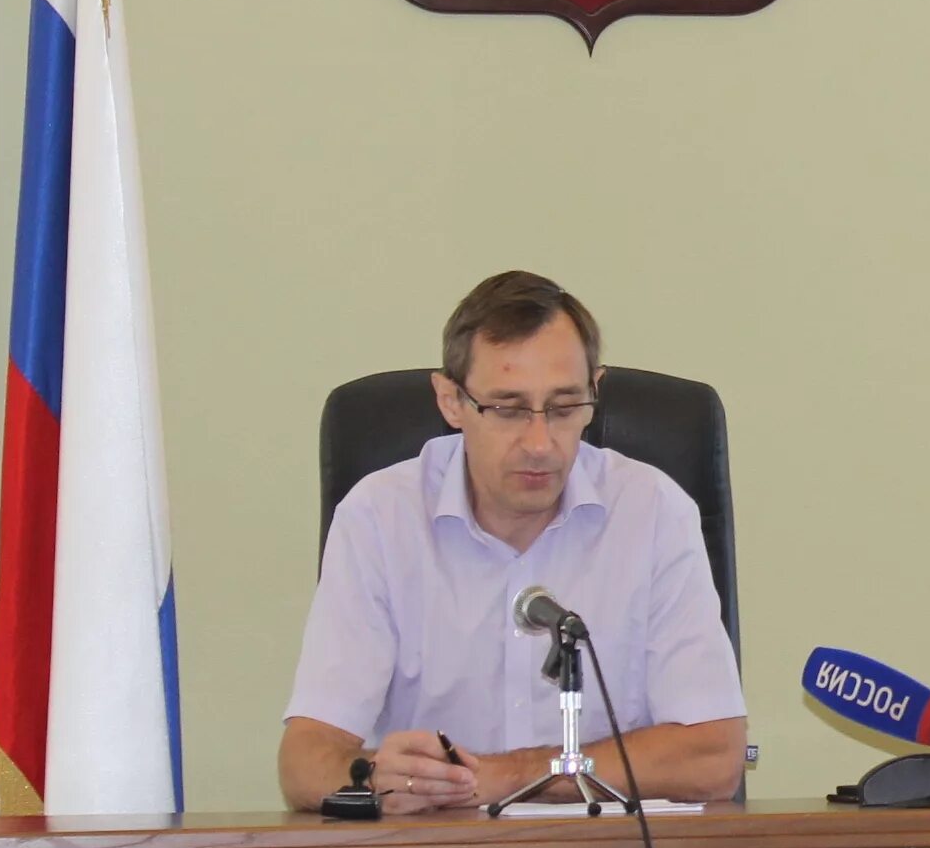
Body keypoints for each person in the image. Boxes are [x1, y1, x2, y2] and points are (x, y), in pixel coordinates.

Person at [279, 270, 747, 813]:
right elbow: (303, 764)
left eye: (566, 407)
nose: (540, 442)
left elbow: (713, 757)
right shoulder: (380, 517)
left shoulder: (653, 512)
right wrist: (371, 775)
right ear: (451, 400)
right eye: (507, 409)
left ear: (596, 390)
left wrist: (512, 775)